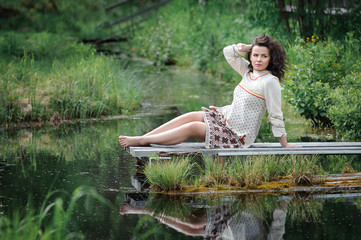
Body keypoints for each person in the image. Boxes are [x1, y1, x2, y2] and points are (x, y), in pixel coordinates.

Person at [119, 34, 300, 149]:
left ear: (271, 58)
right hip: (225, 118)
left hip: (238, 136)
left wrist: (284, 144)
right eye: (255, 55)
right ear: (250, 56)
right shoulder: (248, 71)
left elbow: (276, 114)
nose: (258, 59)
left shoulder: (270, 82)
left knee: (193, 127)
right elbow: (228, 52)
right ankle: (144, 137)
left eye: (264, 56)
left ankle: (141, 142)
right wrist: (246, 47)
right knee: (192, 115)